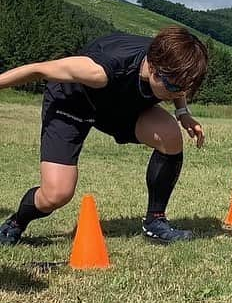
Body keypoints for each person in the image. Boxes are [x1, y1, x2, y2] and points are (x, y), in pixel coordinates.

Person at [0, 26, 208, 245]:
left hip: (116, 105)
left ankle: (155, 222)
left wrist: (183, 112)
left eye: (184, 90)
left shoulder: (169, 62)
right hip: (72, 102)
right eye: (173, 87)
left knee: (170, 135)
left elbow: (179, 83)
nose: (176, 94)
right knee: (56, 194)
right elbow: (38, 70)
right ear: (154, 66)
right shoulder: (100, 69)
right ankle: (15, 223)